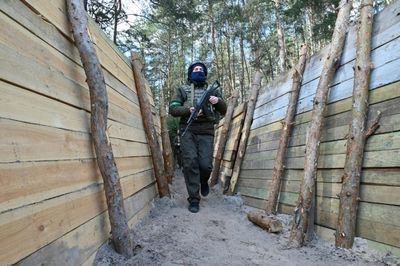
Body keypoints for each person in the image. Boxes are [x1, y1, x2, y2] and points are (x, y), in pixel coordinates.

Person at [169, 62, 227, 213]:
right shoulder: (182, 89)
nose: (198, 71)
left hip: (206, 130)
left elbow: (224, 110)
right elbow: (173, 109)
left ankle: (203, 180)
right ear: (190, 73)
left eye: (201, 69)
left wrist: (217, 101)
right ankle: (194, 199)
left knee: (205, 165)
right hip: (187, 129)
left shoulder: (213, 90)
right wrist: (189, 110)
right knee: (190, 163)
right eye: (195, 69)